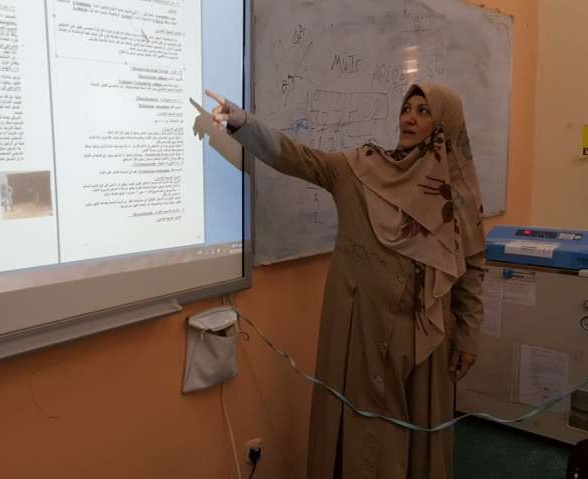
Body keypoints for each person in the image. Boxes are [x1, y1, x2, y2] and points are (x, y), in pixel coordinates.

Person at [206, 83, 486, 479]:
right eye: (406, 108)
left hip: (426, 343)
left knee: (416, 444)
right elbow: (301, 159)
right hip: (362, 334)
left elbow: (471, 270)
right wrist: (243, 123)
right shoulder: (361, 170)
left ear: (445, 126)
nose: (409, 118)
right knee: (363, 441)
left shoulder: (456, 195)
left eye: (424, 111)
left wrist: (468, 338)